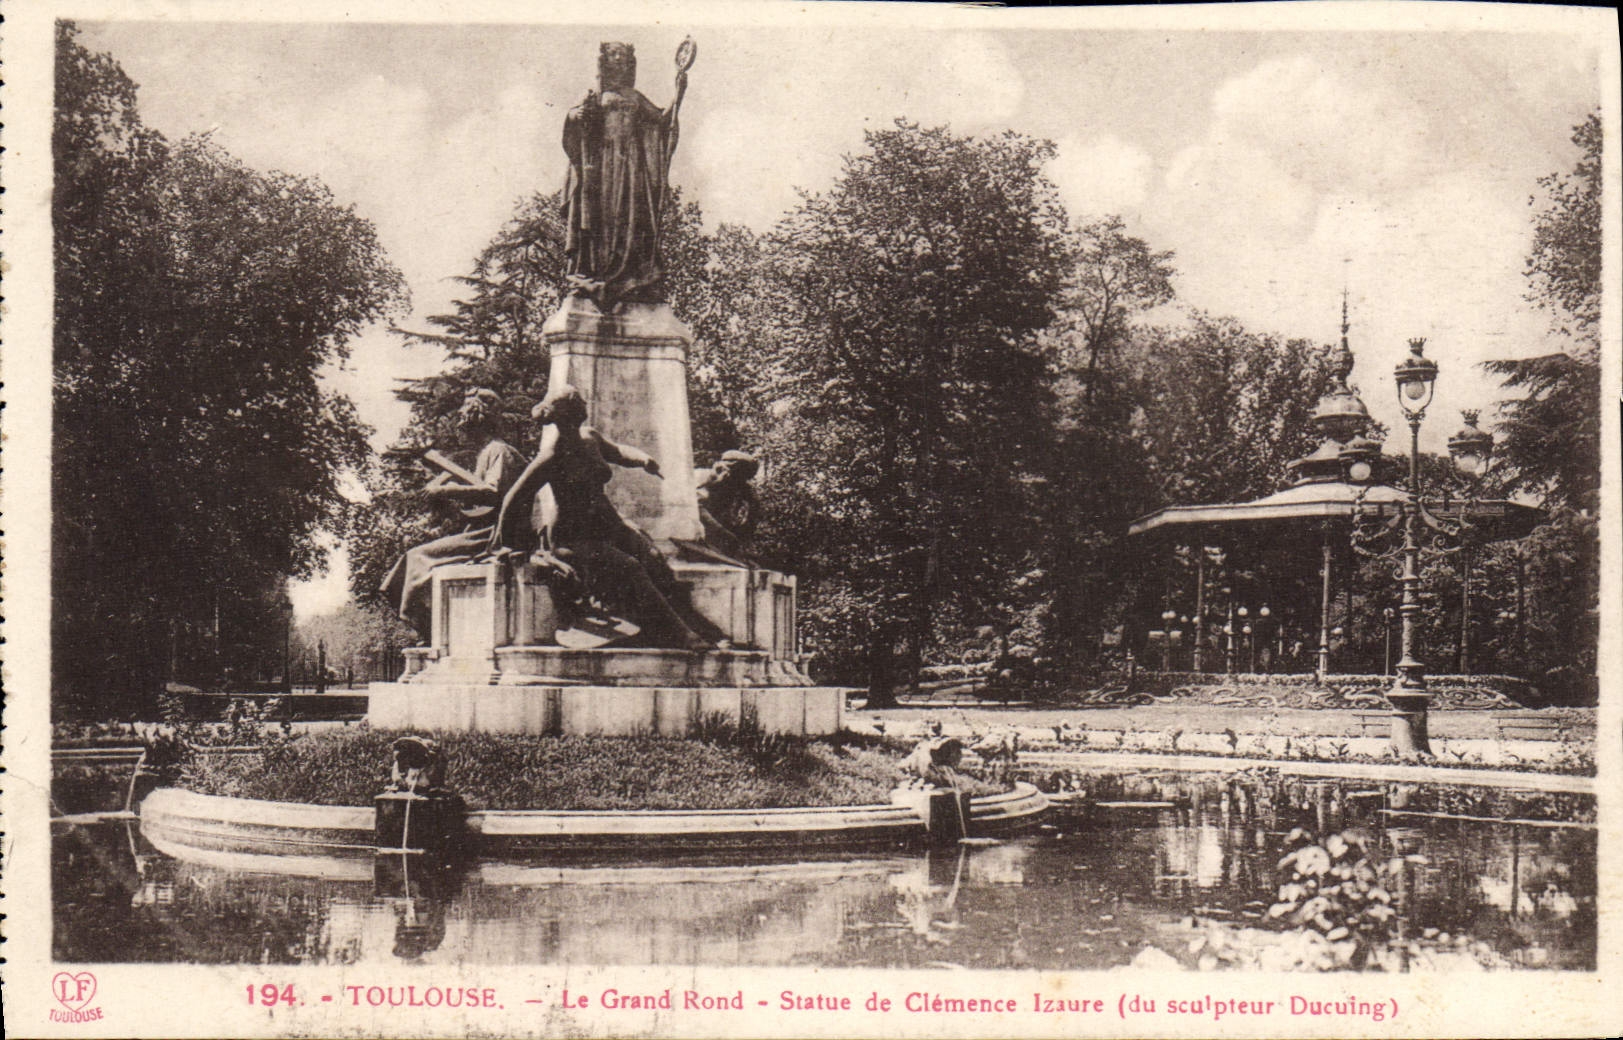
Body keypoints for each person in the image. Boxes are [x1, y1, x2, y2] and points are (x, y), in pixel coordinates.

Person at [487, 384, 718, 651]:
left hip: (608, 524)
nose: (586, 404)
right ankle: (676, 633)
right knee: (629, 567)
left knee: (653, 556)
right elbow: (515, 497)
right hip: (574, 536)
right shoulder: (551, 455)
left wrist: (642, 459)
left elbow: (617, 452)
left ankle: (691, 622)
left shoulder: (589, 438)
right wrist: (503, 543)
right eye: (580, 402)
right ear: (569, 413)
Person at [380, 389, 526, 639]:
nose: (460, 427)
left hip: (494, 535)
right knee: (409, 564)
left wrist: (447, 489)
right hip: (481, 530)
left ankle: (429, 630)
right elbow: (479, 505)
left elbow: (492, 493)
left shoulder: (499, 451)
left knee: (416, 558)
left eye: (464, 421)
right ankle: (430, 629)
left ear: (476, 421)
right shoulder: (488, 452)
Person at [561, 40, 691, 309]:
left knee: (629, 220)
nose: (618, 59)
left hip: (630, 168)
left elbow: (662, 121)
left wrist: (678, 95)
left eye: (623, 55)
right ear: (605, 61)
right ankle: (595, 273)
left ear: (629, 64)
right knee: (599, 220)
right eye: (613, 54)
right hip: (600, 169)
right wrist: (576, 116)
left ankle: (629, 277)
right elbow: (574, 121)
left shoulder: (634, 97)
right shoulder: (596, 95)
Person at [694, 449, 759, 559]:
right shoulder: (705, 477)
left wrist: (745, 541)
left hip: (721, 541)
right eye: (738, 476)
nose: (741, 481)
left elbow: (750, 518)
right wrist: (721, 531)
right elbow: (696, 507)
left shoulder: (743, 489)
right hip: (698, 532)